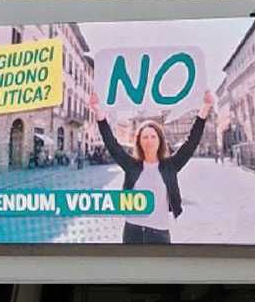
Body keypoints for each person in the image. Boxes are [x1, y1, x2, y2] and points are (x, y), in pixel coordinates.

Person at [89, 90, 213, 244]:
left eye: (153, 136)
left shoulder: (170, 166)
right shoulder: (131, 166)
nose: (149, 140)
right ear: (139, 141)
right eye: (145, 137)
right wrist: (98, 111)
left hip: (159, 233)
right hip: (132, 231)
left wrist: (205, 107)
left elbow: (191, 142)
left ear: (160, 140)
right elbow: (112, 144)